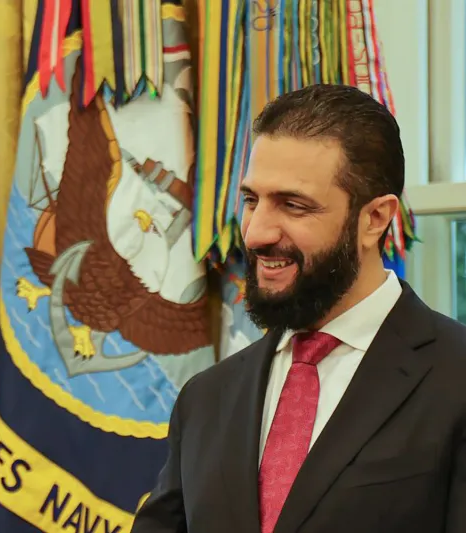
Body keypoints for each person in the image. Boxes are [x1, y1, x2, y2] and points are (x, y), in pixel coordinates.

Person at [130, 84, 466, 533]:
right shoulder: (205, 400)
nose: (256, 233)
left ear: (375, 219)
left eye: (293, 205)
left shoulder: (456, 377)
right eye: (251, 201)